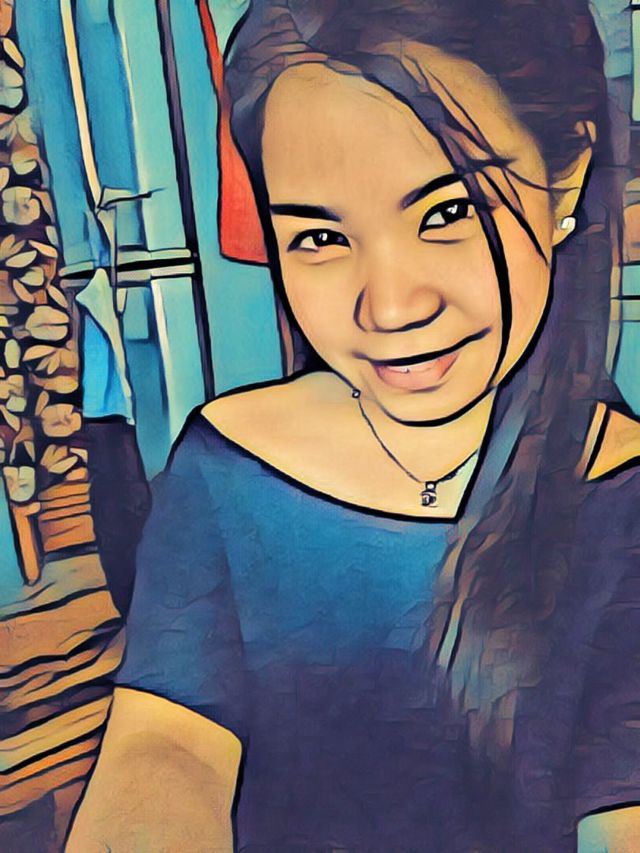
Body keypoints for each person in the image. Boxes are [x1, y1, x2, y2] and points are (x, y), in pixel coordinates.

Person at [67, 1, 640, 850]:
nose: (390, 308)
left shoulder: (623, 500)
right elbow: (164, 744)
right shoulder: (227, 465)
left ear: (566, 181)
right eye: (319, 236)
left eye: (448, 212)